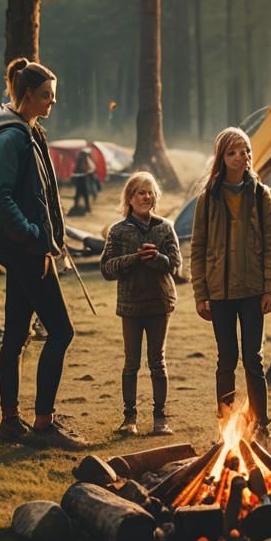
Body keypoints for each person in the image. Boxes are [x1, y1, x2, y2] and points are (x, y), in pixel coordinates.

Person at [0, 58, 84, 449]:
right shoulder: (11, 138)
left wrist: (52, 236)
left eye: (53, 96)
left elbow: (37, 195)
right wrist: (35, 236)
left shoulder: (28, 131)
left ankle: (11, 423)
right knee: (61, 331)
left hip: (29, 249)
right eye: (45, 96)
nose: (51, 102)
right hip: (26, 251)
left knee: (17, 336)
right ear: (25, 95)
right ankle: (43, 424)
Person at [190, 128, 271, 442]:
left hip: (253, 291)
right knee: (226, 359)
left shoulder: (261, 195)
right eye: (233, 152)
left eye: (245, 151)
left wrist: (270, 287)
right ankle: (226, 425)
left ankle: (261, 423)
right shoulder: (208, 198)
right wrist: (201, 294)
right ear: (222, 158)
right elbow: (197, 249)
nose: (241, 157)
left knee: (253, 359)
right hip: (220, 292)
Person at [100, 171, 180, 436]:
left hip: (160, 303)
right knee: (131, 363)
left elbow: (176, 264)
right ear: (130, 198)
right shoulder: (118, 231)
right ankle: (129, 419)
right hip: (131, 305)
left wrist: (157, 258)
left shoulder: (165, 227)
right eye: (140, 193)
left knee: (157, 361)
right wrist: (133, 259)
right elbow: (106, 268)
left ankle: (160, 419)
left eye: (150, 193)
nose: (146, 197)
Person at [72, 148, 96, 214]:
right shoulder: (80, 159)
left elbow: (93, 168)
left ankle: (86, 207)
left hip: (83, 179)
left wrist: (87, 172)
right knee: (80, 194)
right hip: (80, 179)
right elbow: (76, 170)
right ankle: (78, 206)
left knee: (83, 194)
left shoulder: (84, 159)